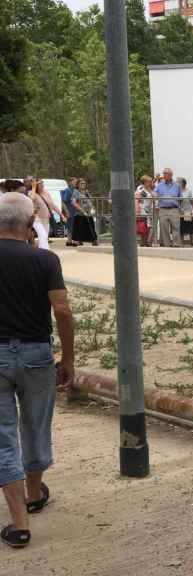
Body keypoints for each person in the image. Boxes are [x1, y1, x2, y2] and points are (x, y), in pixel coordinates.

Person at [0, 192, 75, 550]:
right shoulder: (45, 259)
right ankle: (33, 492)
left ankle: (18, 524)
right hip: (36, 353)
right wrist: (69, 358)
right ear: (30, 224)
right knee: (36, 424)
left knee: (3, 436)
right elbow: (61, 310)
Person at [154, 168, 182, 247]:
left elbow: (180, 198)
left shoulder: (177, 185)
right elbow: (155, 194)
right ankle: (167, 245)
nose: (164, 175)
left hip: (174, 208)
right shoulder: (159, 185)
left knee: (176, 227)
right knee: (164, 227)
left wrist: (179, 208)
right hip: (163, 209)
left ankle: (176, 244)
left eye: (166, 174)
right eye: (164, 173)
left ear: (171, 175)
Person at [28, 182, 59, 251]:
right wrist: (33, 187)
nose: (42, 185)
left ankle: (43, 250)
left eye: (42, 183)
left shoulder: (45, 193)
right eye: (40, 183)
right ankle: (45, 251)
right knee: (42, 235)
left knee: (45, 237)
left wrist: (61, 214)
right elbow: (32, 198)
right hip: (37, 219)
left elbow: (52, 204)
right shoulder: (31, 193)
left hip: (46, 219)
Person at [69, 180, 97, 247]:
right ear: (78, 185)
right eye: (81, 183)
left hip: (88, 213)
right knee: (80, 228)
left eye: (84, 183)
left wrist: (93, 208)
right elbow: (73, 202)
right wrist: (82, 210)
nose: (83, 184)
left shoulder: (86, 192)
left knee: (91, 227)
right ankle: (79, 241)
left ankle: (94, 240)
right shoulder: (76, 192)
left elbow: (90, 201)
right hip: (80, 214)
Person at [177, 177, 193, 247]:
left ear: (183, 183)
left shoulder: (188, 191)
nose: (177, 183)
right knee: (181, 227)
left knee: (190, 227)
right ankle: (181, 242)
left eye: (178, 182)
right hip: (180, 212)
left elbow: (192, 202)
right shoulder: (176, 191)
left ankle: (192, 241)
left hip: (188, 211)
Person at [134, 176, 154, 247]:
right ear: (145, 182)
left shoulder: (148, 189)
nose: (151, 183)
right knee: (143, 227)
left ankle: (146, 242)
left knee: (148, 227)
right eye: (150, 182)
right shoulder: (141, 190)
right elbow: (137, 201)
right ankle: (143, 243)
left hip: (148, 211)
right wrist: (138, 211)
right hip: (143, 211)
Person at [60, 179, 80, 246]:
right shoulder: (68, 190)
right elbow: (64, 202)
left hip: (74, 211)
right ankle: (72, 241)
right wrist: (66, 211)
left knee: (71, 226)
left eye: (76, 182)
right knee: (71, 226)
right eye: (74, 182)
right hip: (70, 211)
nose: (75, 183)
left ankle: (69, 240)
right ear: (70, 182)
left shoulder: (75, 190)